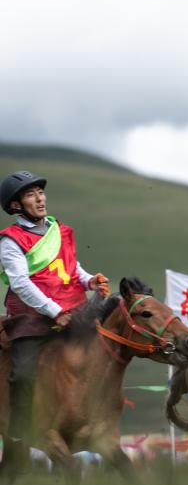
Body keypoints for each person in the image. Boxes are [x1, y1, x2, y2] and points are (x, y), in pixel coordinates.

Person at [0, 171, 109, 469]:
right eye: (31, 194)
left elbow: (72, 269)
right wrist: (53, 311)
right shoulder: (10, 241)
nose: (40, 198)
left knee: (102, 352)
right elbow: (20, 283)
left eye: (41, 192)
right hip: (30, 319)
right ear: (16, 205)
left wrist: (90, 282)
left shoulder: (57, 229)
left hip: (69, 311)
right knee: (22, 373)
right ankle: (20, 434)